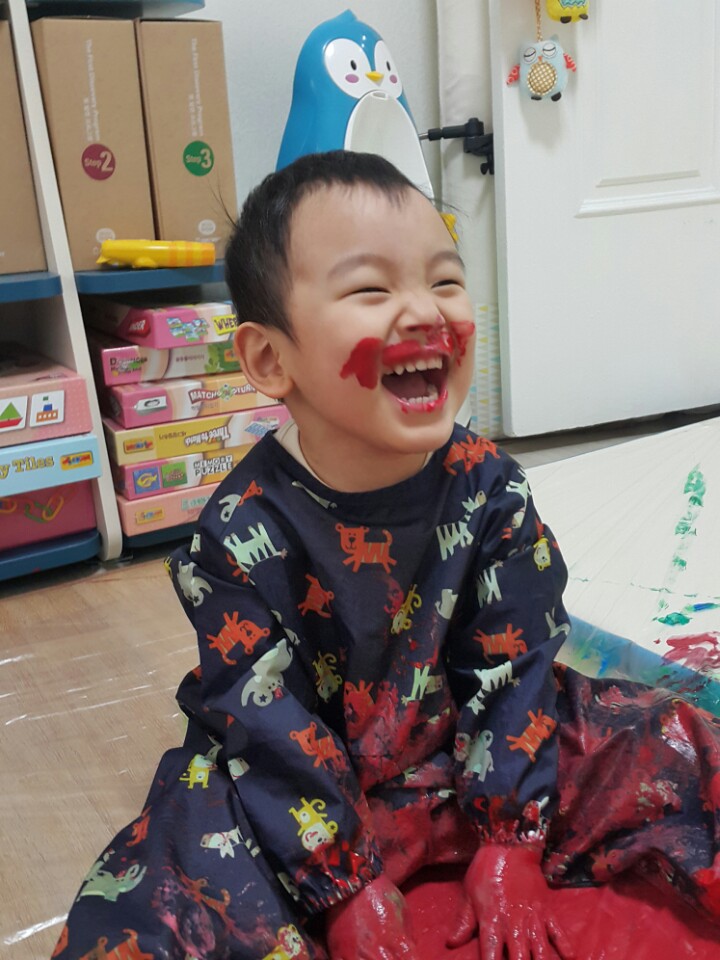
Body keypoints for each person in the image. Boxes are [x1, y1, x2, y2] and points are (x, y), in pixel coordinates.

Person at [55, 151, 720, 960]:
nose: (425, 311)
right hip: (306, 792)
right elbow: (268, 729)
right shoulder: (234, 533)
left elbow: (515, 667)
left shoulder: (490, 488)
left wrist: (510, 838)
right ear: (269, 360)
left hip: (464, 753)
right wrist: (342, 885)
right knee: (161, 878)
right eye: (371, 289)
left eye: (445, 280)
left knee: (671, 737)